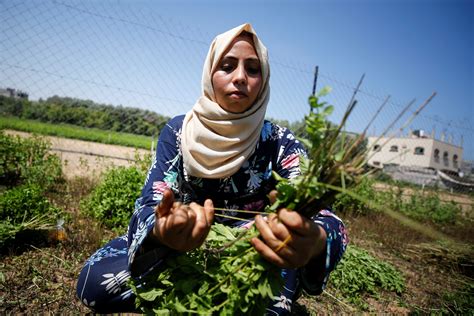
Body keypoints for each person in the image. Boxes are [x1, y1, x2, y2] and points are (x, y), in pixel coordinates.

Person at [76, 23, 348, 315]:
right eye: (227, 66)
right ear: (209, 74)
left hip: (250, 256)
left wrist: (314, 239)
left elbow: (326, 218)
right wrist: (162, 231)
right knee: (94, 284)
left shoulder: (280, 143)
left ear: (264, 80)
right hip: (181, 250)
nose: (240, 77)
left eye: (253, 69)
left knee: (262, 293)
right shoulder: (179, 132)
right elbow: (150, 202)